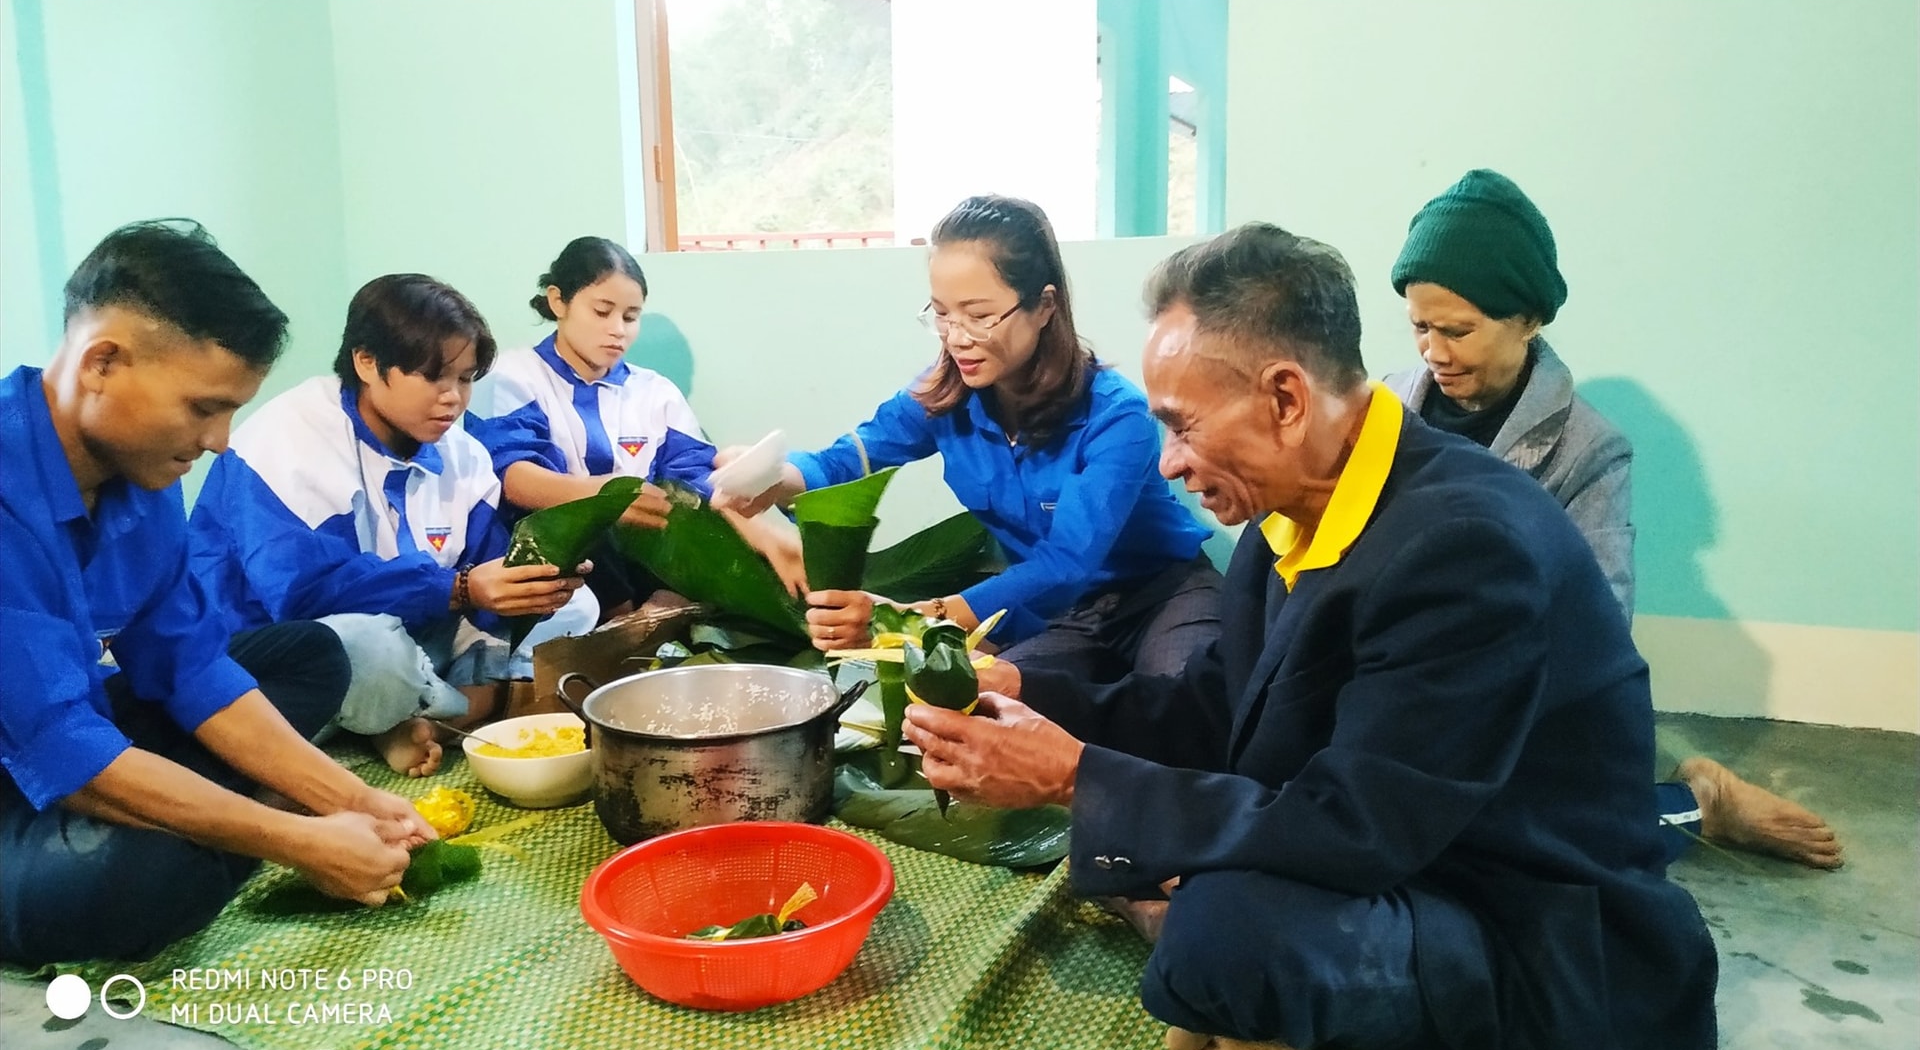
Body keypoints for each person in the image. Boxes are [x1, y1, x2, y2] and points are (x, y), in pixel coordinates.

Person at [903, 224, 1718, 1050]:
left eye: (1182, 427)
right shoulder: (1287, 514)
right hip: (1408, 841)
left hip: (1512, 910)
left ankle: (1264, 993)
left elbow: (1360, 828)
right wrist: (1030, 698)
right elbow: (1218, 705)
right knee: (1161, 859)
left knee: (1219, 934)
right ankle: (1259, 1001)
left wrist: (1074, 778)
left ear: (1286, 399)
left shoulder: (1466, 548)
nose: (1171, 464)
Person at [1, 220, 434, 965]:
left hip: (76, 722)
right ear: (102, 362)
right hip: (25, 769)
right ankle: (208, 821)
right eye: (204, 407)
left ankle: (207, 813)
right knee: (135, 885)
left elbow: (193, 668)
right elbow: (59, 748)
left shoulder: (141, 472)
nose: (221, 439)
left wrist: (352, 799)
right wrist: (296, 840)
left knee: (312, 657)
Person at [1387, 168, 1841, 870]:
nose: (1434, 351)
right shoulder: (1383, 412)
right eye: (1419, 326)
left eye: (1458, 330)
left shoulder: (1589, 450)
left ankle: (1695, 804)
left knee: (1501, 848)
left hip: (1510, 698)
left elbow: (1599, 623)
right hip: (1393, 676)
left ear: (1528, 320)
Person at [719, 195, 1220, 682]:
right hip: (1058, 612)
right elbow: (846, 461)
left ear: (1043, 306)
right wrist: (771, 477)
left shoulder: (1116, 414)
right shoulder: (944, 396)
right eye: (941, 313)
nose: (955, 337)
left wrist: (911, 615)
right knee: (990, 709)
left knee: (1182, 693)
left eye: (979, 315)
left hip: (1161, 593)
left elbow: (1067, 561)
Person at [189, 274, 594, 778]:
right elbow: (303, 596)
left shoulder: (460, 450)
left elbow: (489, 566)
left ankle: (432, 718)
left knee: (574, 602)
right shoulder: (288, 438)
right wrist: (462, 588)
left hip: (412, 643)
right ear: (366, 362)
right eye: (433, 377)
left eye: (465, 379)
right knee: (366, 644)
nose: (453, 399)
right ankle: (418, 717)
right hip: (279, 659)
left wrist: (538, 575)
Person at [478, 236, 805, 618]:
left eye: (631, 317)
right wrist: (605, 498)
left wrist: (765, 537)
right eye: (602, 312)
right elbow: (513, 477)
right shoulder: (514, 377)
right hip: (563, 558)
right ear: (558, 301)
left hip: (642, 554)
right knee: (591, 530)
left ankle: (653, 616)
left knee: (745, 559)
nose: (618, 329)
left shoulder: (655, 392)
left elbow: (695, 486)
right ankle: (634, 621)